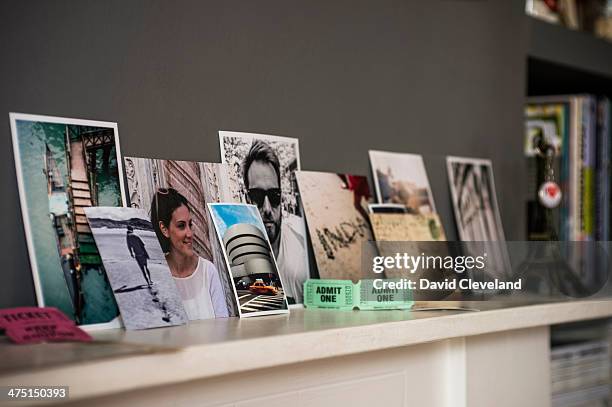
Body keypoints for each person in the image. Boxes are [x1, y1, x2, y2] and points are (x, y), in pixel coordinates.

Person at [242, 140, 308, 303]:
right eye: (257, 196)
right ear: (246, 199)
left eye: (273, 196)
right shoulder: (238, 257)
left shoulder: (303, 252)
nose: (267, 209)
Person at [151, 188, 229, 319]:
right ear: (164, 229)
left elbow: (224, 326)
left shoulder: (208, 271)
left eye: (190, 224)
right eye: (181, 226)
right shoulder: (156, 276)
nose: (190, 233)